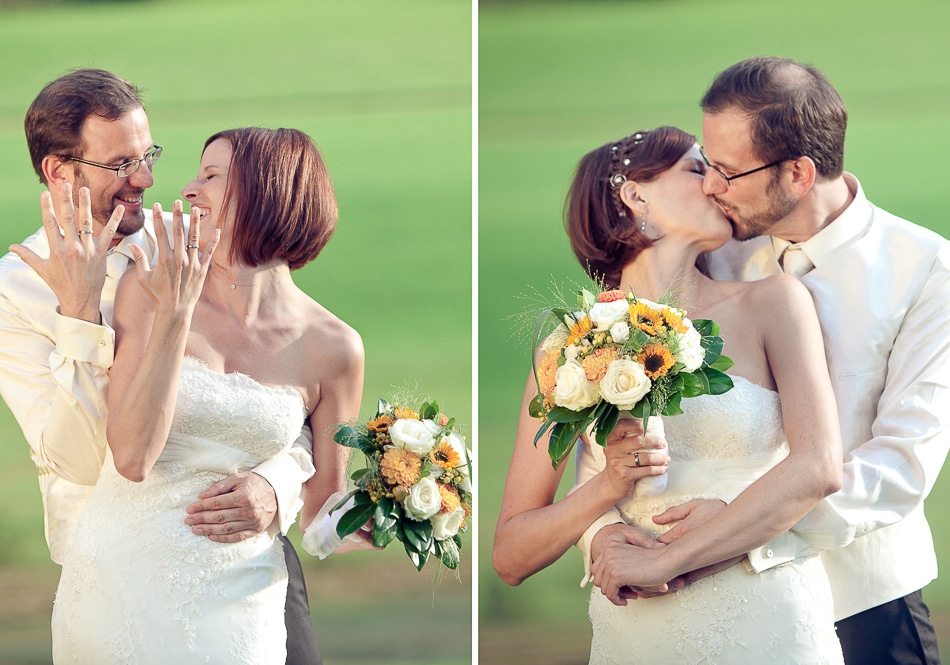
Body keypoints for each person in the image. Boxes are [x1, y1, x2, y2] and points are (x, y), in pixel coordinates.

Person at [0, 70, 322, 663]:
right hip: (121, 577)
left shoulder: (194, 235)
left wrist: (276, 484)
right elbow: (75, 458)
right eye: (121, 165)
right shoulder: (15, 291)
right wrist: (78, 314)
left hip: (250, 562)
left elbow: (292, 377)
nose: (146, 180)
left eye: (147, 155)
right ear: (59, 171)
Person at [494, 126, 845, 663]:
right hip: (637, 632)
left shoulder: (774, 303)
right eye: (697, 169)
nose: (716, 185)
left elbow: (819, 466)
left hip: (769, 619)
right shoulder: (566, 352)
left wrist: (667, 561)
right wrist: (603, 496)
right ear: (637, 195)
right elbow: (511, 554)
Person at [50, 126, 367, 663]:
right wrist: (177, 313)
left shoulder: (335, 349)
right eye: (197, 173)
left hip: (241, 605)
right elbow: (130, 455)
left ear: (271, 194)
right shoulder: (147, 288)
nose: (190, 189)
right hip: (116, 585)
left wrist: (399, 504)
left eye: (213, 177)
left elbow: (321, 516)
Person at [699, 56, 949, 664]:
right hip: (727, 604)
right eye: (708, 165)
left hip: (866, 605)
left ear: (799, 173)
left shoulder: (929, 270)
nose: (710, 187)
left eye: (728, 172)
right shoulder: (719, 258)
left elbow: (904, 462)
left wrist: (742, 530)